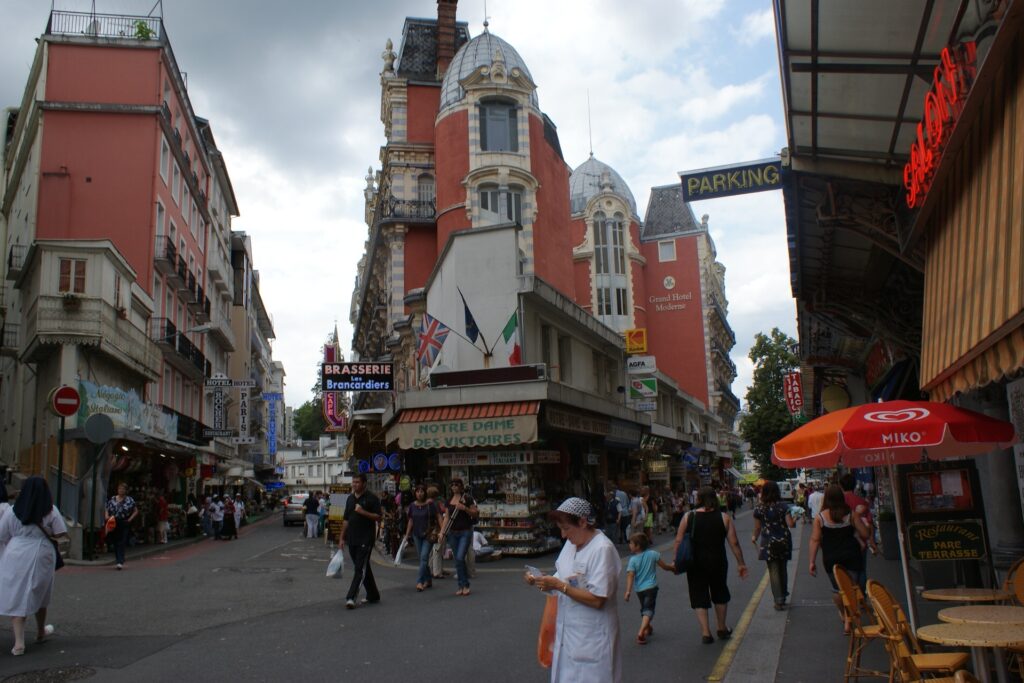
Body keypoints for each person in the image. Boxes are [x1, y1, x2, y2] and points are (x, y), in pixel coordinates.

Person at [525, 498, 621, 683]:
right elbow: (562, 576)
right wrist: (541, 579)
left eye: (566, 528)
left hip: (593, 635)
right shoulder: (571, 545)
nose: (563, 535)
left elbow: (598, 599)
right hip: (569, 632)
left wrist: (558, 585)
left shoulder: (602, 549)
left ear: (583, 522)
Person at [0, 477, 68, 656]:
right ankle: (40, 631)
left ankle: (19, 642)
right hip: (41, 552)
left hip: (15, 552)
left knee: (17, 592)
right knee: (40, 591)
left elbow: (2, 534)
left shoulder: (13, 511)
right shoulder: (50, 510)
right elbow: (61, 532)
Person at [674, 486, 748, 644]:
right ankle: (721, 627)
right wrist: (741, 563)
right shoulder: (724, 517)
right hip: (718, 561)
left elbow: (679, 541)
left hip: (695, 563)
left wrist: (676, 561)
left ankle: (706, 632)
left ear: (698, 499)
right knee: (720, 592)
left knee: (698, 594)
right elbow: (734, 542)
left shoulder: (689, 517)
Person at [808, 484, 869, 634]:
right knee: (852, 588)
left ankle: (844, 615)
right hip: (852, 555)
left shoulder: (820, 517)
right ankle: (849, 618)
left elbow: (815, 540)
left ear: (826, 498)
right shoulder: (851, 514)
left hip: (831, 557)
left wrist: (811, 561)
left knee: (837, 589)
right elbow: (865, 534)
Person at [751, 481, 796, 610]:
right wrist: (796, 518)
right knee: (783, 569)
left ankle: (778, 600)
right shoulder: (783, 506)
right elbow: (791, 525)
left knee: (773, 571)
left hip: (768, 543)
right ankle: (783, 595)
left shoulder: (759, 508)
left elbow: (757, 528)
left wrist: (754, 537)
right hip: (784, 541)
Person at [339, 473, 382, 609]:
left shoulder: (372, 498)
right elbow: (346, 519)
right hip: (352, 538)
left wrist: (363, 512)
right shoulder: (350, 499)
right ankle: (373, 594)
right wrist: (341, 537)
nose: (354, 484)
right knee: (363, 568)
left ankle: (351, 597)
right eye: (353, 482)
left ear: (364, 483)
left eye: (357, 482)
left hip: (366, 538)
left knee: (359, 568)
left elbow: (378, 517)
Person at [624, 532, 674, 645]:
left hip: (639, 590)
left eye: (631, 543)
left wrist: (628, 591)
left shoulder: (633, 560)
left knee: (646, 609)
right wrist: (672, 568)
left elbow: (630, 576)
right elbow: (664, 566)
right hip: (651, 587)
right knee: (647, 609)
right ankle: (647, 627)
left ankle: (642, 631)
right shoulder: (653, 554)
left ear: (638, 546)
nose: (629, 545)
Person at [438, 478, 478, 596]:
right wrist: (442, 532)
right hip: (452, 532)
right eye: (452, 485)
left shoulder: (467, 498)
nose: (454, 487)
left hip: (465, 531)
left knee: (460, 557)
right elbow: (446, 517)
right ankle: (462, 585)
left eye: (457, 485)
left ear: (461, 486)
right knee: (457, 560)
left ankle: (465, 584)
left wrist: (465, 508)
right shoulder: (449, 500)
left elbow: (475, 512)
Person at [840, 472, 878, 586]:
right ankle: (862, 597)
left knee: (844, 570)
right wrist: (871, 540)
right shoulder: (862, 501)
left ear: (841, 486)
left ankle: (850, 594)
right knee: (861, 569)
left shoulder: (839, 502)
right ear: (854, 485)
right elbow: (870, 522)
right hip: (862, 539)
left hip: (844, 540)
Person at [403, 484, 442, 592]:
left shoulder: (430, 505)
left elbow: (439, 516)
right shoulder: (412, 506)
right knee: (422, 559)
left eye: (422, 491)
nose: (419, 493)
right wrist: (407, 534)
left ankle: (420, 581)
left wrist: (442, 532)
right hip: (416, 535)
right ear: (415, 493)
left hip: (428, 535)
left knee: (424, 557)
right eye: (417, 491)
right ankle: (428, 579)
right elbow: (411, 520)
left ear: (425, 493)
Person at [104, 482, 139, 569]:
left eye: (123, 489)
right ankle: (117, 558)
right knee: (115, 541)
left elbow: (135, 510)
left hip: (124, 521)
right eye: (119, 489)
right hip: (113, 521)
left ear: (126, 491)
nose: (121, 490)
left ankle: (120, 561)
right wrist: (107, 516)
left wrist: (130, 519)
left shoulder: (129, 500)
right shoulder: (112, 499)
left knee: (122, 541)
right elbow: (107, 508)